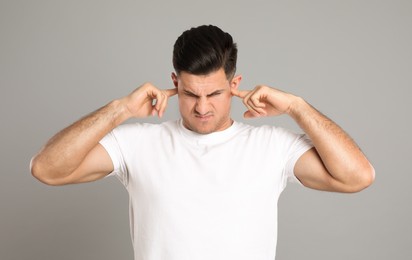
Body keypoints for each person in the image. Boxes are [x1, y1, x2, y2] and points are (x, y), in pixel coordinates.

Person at [30, 25, 375, 260]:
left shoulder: (271, 146)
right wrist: (119, 109)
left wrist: (297, 107)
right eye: (190, 93)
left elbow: (357, 176)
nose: (202, 106)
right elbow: (47, 169)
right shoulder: (137, 144)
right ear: (174, 82)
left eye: (215, 93)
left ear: (235, 83)